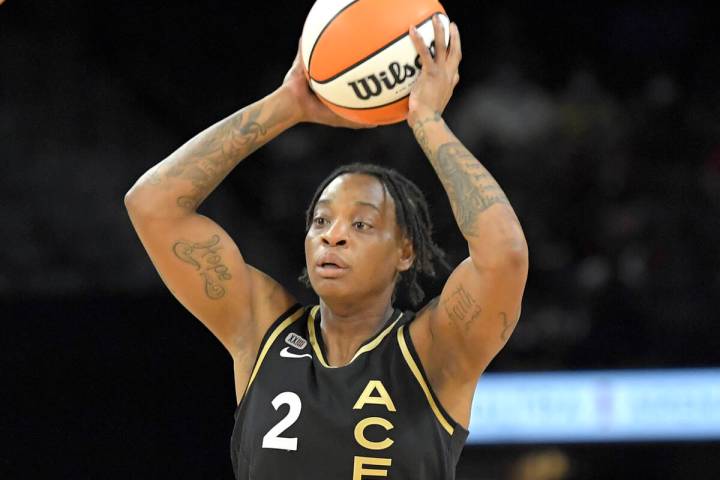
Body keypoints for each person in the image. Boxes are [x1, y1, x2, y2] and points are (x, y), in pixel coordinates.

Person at [125, 17, 528, 480]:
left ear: (405, 251)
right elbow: (151, 205)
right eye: (320, 220)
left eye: (361, 223)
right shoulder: (261, 331)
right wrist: (287, 105)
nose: (332, 235)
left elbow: (505, 256)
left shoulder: (434, 349)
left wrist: (427, 120)